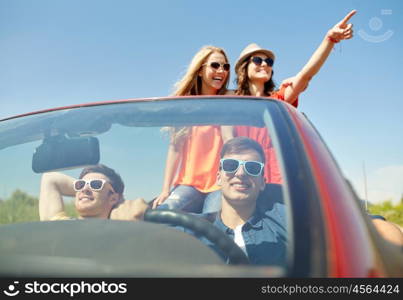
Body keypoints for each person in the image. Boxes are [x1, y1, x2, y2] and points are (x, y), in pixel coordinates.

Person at [202, 10, 356, 213]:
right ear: (244, 68)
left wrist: (330, 40)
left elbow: (306, 76)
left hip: (278, 182)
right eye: (257, 60)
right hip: (242, 183)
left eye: (269, 62)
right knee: (213, 216)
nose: (264, 64)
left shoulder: (278, 98)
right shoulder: (231, 101)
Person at [152, 45, 233, 212]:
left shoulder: (230, 100)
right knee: (164, 213)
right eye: (215, 65)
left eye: (225, 67)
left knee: (213, 223)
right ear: (200, 70)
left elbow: (230, 142)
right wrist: (165, 189)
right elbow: (175, 148)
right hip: (188, 184)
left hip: (218, 185)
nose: (221, 71)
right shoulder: (185, 105)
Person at [39, 164, 125, 220]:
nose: (84, 189)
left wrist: (120, 201)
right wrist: (83, 190)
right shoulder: (61, 224)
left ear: (113, 198)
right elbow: (49, 178)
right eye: (81, 184)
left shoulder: (119, 234)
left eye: (96, 184)